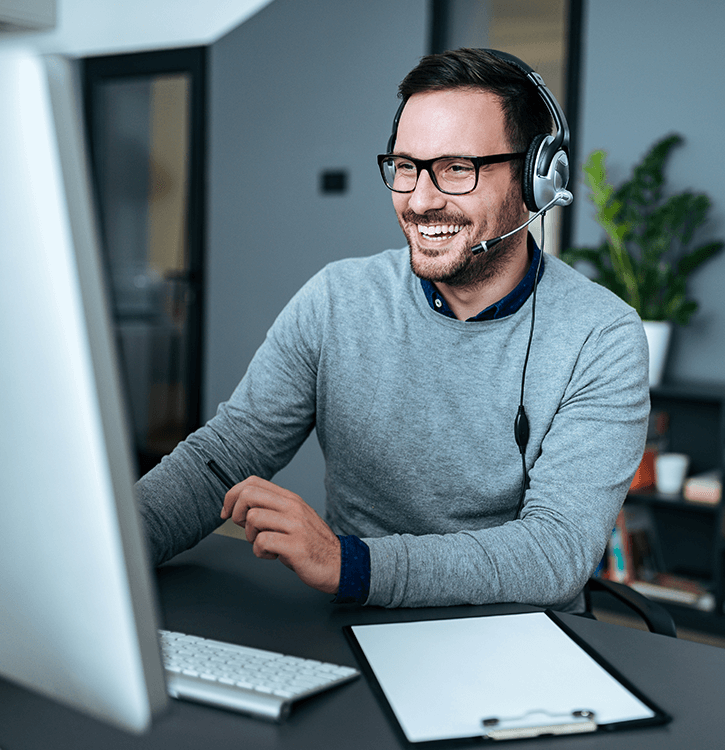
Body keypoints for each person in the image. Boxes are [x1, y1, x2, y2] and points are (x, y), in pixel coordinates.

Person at [137, 48, 649, 613]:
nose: (421, 200)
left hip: (517, 636)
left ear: (535, 179)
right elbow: (225, 455)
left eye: (458, 168)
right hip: (357, 622)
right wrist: (113, 548)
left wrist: (350, 563)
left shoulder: (602, 336)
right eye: (407, 167)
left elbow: (554, 553)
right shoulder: (336, 299)